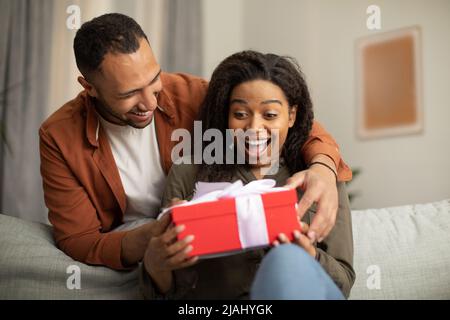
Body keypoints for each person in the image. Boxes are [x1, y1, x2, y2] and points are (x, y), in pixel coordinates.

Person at [39, 13, 352, 271]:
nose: (149, 101)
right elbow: (79, 238)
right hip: (134, 238)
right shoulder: (59, 136)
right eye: (128, 94)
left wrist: (324, 169)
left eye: (153, 80)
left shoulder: (191, 94)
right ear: (88, 87)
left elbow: (296, 126)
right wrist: (154, 237)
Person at [140, 51, 354, 299]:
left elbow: (343, 283)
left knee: (287, 260)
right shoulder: (189, 173)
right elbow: (175, 292)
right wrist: (155, 265)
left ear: (292, 116)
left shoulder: (319, 180)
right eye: (240, 114)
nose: (253, 129)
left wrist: (308, 257)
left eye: (270, 115)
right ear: (226, 116)